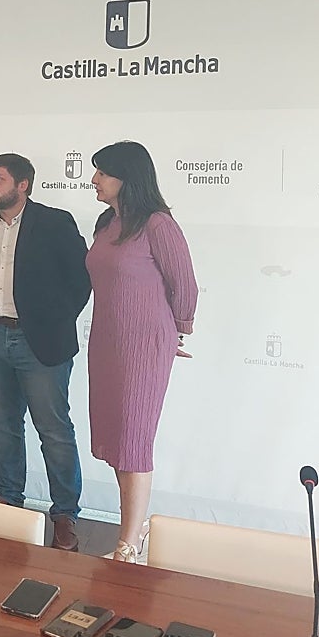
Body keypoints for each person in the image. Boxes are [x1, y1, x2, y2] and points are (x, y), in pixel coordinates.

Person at [0, 154, 91, 551]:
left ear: (23, 185)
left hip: (39, 342)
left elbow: (80, 281)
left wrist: (52, 323)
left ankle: (65, 515)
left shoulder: (56, 221)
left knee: (53, 430)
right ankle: (9, 501)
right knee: (3, 424)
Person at [86, 141, 198, 563]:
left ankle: (128, 544)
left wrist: (178, 331)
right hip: (107, 342)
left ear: (126, 177)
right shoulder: (106, 223)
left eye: (102, 172)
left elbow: (183, 283)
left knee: (134, 439)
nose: (93, 180)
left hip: (144, 343)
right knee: (116, 437)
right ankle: (130, 528)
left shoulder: (157, 224)